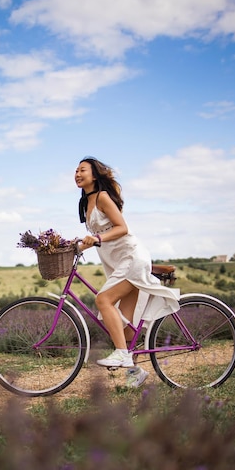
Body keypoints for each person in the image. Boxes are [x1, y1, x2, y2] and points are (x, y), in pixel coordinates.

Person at [75, 157, 180, 388]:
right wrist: (76, 246)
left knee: (103, 300)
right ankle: (135, 373)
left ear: (95, 175)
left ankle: (121, 353)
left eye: (82, 170)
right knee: (126, 327)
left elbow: (121, 228)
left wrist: (98, 238)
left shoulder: (102, 196)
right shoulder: (87, 201)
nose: (77, 174)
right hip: (118, 262)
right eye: (76, 171)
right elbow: (97, 236)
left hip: (131, 258)